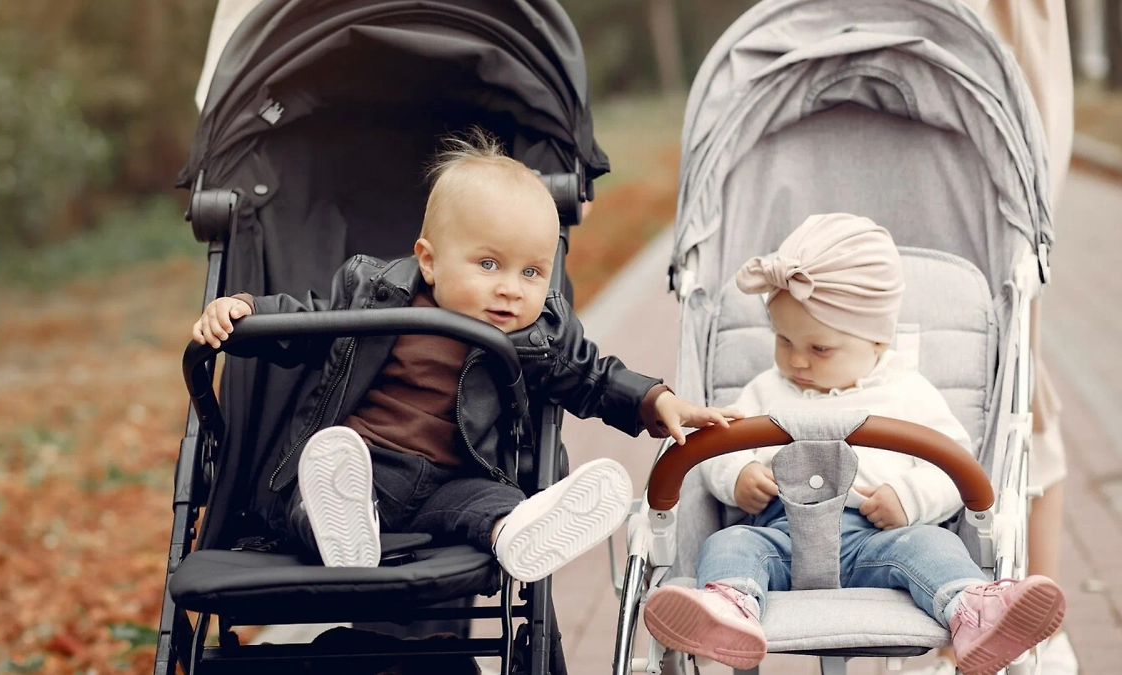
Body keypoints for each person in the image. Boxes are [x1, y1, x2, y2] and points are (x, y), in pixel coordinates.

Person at [192, 129, 741, 583]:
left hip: (450, 483)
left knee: (490, 505)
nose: (510, 289)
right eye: (488, 264)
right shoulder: (374, 293)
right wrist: (245, 311)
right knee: (319, 491)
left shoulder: (538, 334)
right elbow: (304, 322)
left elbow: (592, 376)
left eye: (532, 272)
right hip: (362, 465)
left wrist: (654, 399)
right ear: (429, 261)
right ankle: (346, 530)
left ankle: (520, 530)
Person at [640, 214, 1066, 675]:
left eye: (819, 349)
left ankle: (974, 611)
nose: (796, 360)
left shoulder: (909, 392)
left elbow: (955, 466)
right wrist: (738, 475)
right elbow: (718, 448)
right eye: (783, 340)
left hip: (878, 541)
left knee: (931, 545)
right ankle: (728, 607)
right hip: (780, 537)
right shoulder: (766, 388)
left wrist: (909, 497)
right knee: (729, 543)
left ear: (878, 341)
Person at [907, 2, 1079, 672]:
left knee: (1009, 354)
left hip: (989, 53)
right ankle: (944, 615)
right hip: (894, 55)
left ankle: (1036, 622)